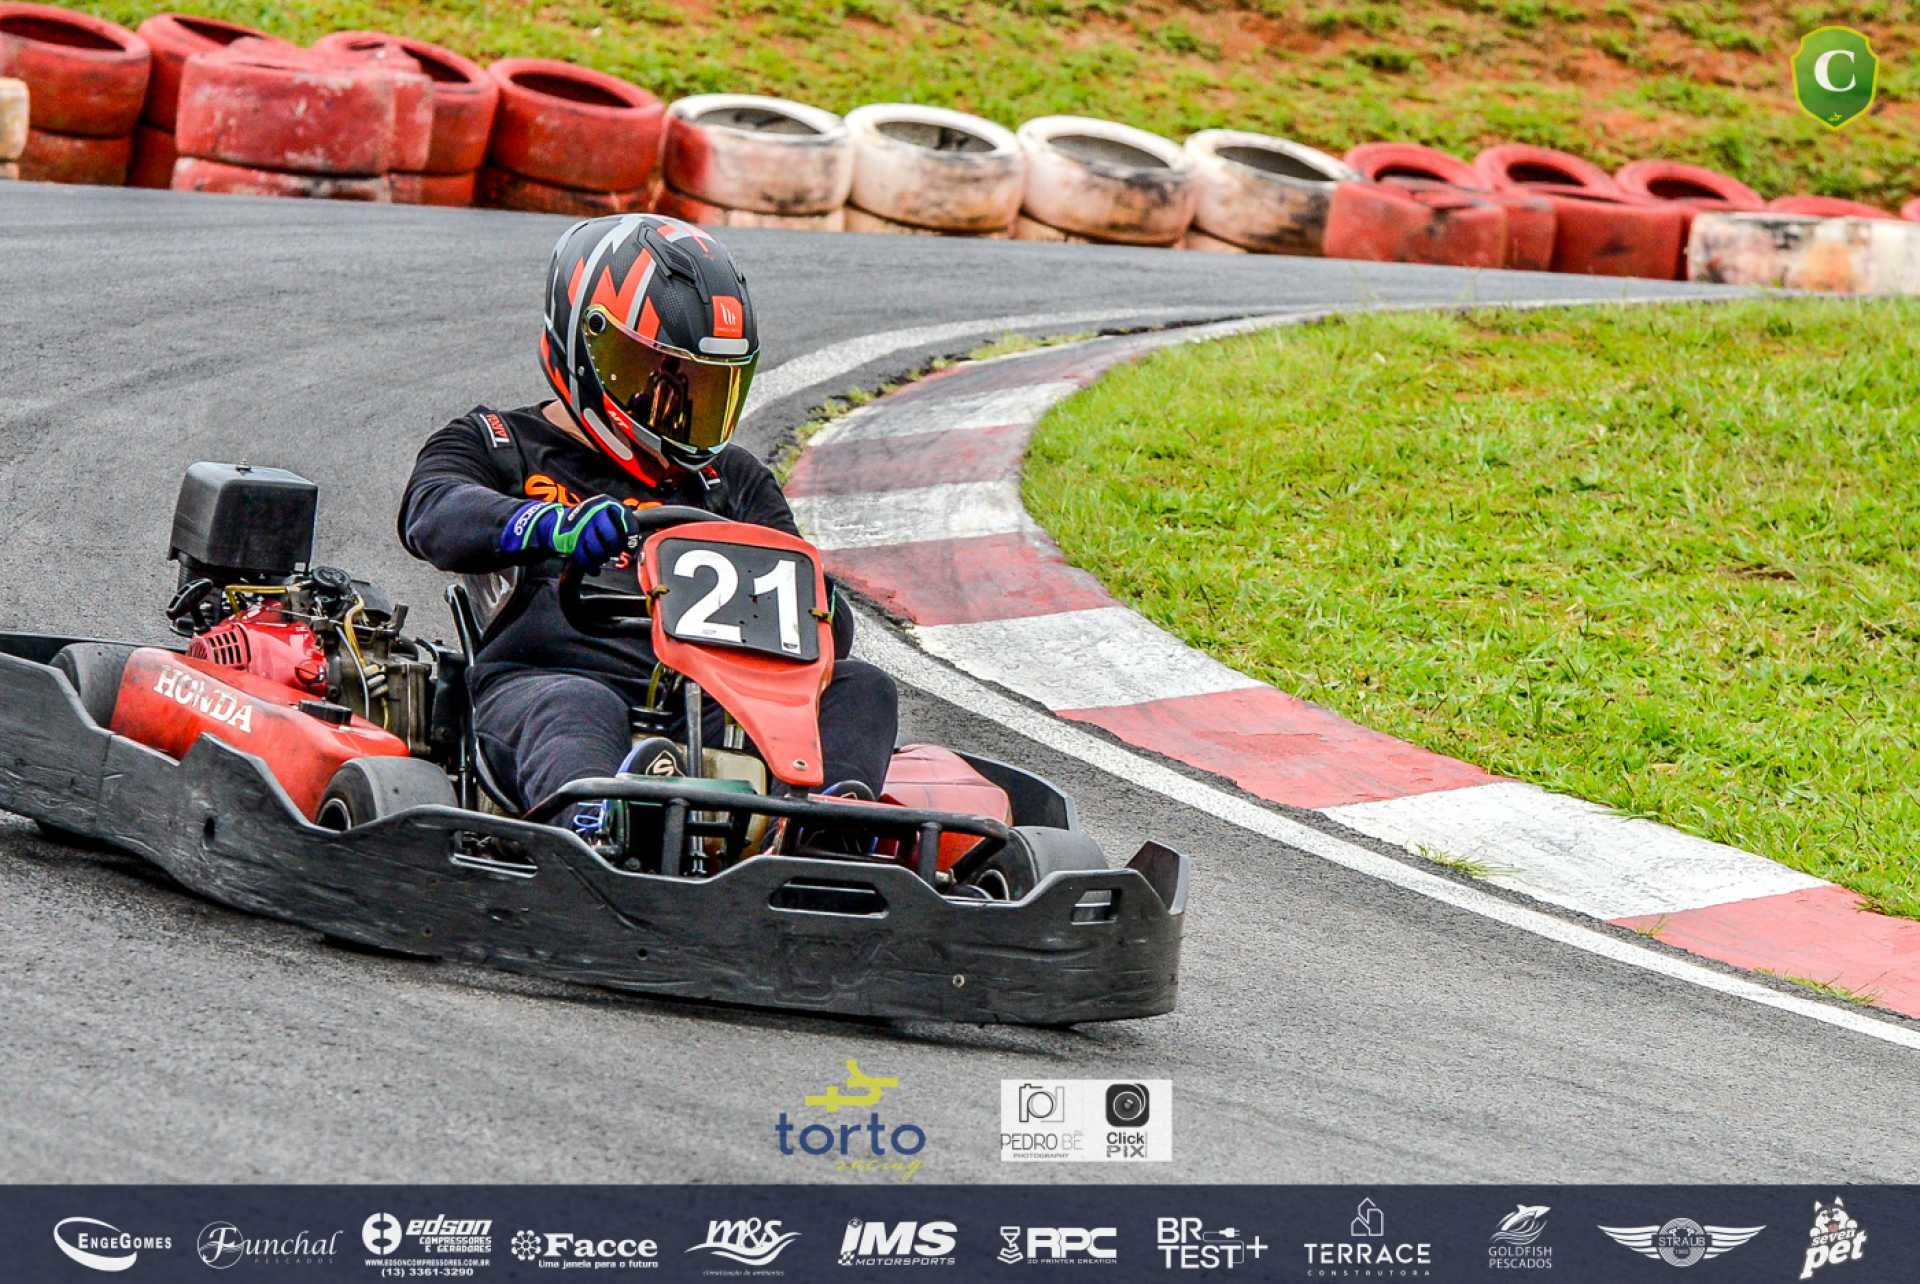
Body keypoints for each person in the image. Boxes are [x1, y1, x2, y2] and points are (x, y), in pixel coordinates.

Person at [397, 213, 898, 827]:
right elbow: (432, 512)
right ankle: (594, 830)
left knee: (862, 688)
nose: (677, 411)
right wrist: (551, 526)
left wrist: (816, 598)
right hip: (549, 684)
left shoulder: (730, 482)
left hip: (719, 707)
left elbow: (822, 630)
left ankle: (828, 839)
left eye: (703, 389)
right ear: (587, 346)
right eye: (655, 380)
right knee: (577, 705)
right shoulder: (498, 443)